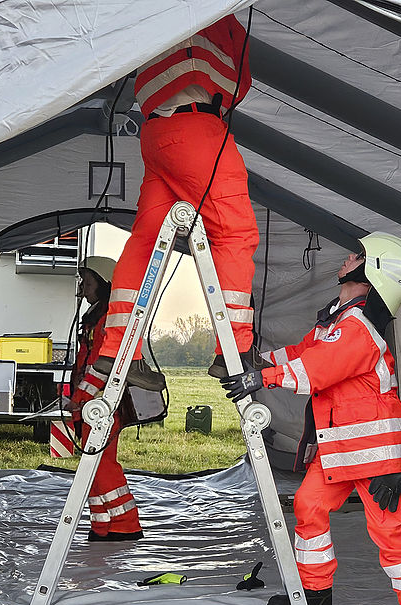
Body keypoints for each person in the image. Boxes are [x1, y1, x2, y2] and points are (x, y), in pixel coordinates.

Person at [220, 233, 401, 605]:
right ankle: (316, 594)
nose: (348, 257)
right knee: (308, 505)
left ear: (373, 273)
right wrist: (255, 359)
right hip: (341, 451)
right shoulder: (338, 319)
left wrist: (259, 378)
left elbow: (318, 369)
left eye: (359, 255)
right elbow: (304, 352)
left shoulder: (357, 328)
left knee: (391, 534)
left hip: (376, 457)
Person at [94, 13, 272, 386]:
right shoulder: (211, 12)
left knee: (145, 239)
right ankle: (234, 350)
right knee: (235, 233)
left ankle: (117, 351)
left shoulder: (150, 17)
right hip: (196, 128)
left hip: (156, 132)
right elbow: (240, 80)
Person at [68, 256, 143, 541]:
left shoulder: (107, 321)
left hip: (100, 405)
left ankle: (126, 524)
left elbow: (103, 365)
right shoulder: (96, 317)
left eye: (87, 283)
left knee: (102, 465)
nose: (83, 289)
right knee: (93, 466)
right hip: (91, 405)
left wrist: (79, 397)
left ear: (104, 284)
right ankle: (102, 525)